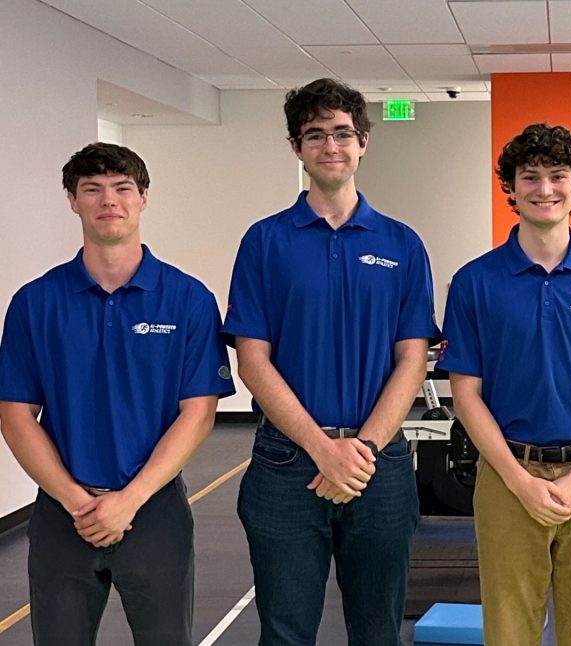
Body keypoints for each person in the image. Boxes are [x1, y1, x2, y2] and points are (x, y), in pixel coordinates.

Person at [223, 78, 439, 646]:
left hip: (381, 464)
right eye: (314, 135)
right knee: (286, 631)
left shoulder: (402, 244)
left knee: (378, 631)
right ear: (297, 147)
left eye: (342, 132)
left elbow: (412, 360)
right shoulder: (265, 242)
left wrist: (361, 451)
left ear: (363, 141)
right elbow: (252, 360)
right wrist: (324, 450)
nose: (330, 145)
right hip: (286, 466)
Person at [0, 142, 235, 645]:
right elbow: (15, 415)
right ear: (73, 200)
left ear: (143, 198)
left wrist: (129, 500)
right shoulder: (35, 302)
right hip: (63, 516)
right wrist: (75, 501)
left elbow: (197, 412)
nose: (110, 200)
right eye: (93, 189)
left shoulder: (188, 299)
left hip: (154, 512)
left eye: (122, 188)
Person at [437, 122, 571, 646]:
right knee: (509, 630)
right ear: (509, 188)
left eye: (558, 176)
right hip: (508, 474)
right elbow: (465, 393)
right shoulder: (475, 281)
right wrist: (518, 480)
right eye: (529, 177)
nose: (545, 189)